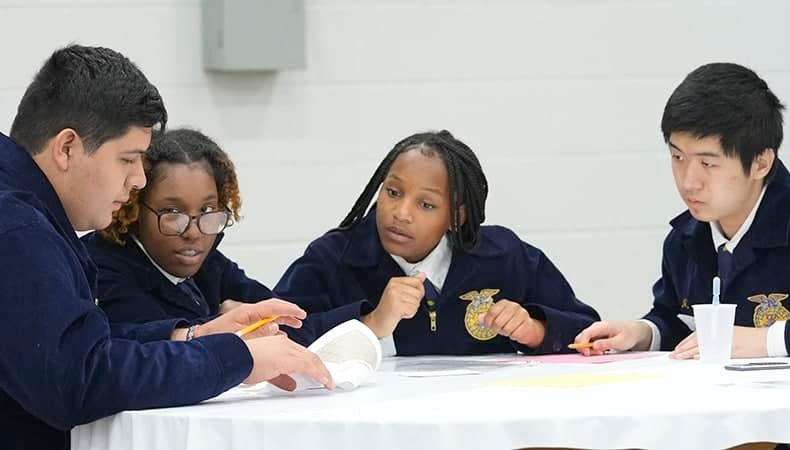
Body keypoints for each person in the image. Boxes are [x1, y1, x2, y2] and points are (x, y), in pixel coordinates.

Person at [0, 45, 331, 450]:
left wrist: (193, 336)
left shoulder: (26, 215)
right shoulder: (16, 227)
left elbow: (77, 347)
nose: (138, 179)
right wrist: (235, 359)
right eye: (128, 159)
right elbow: (79, 380)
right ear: (67, 147)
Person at [274, 130, 599, 355]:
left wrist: (536, 331)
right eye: (393, 192)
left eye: (426, 205)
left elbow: (590, 331)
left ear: (456, 216)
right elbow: (275, 336)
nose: (400, 213)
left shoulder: (504, 256)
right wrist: (370, 323)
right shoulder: (333, 258)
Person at [574, 62, 790, 359]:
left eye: (708, 163)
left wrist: (767, 340)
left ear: (760, 163)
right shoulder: (685, 239)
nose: (689, 182)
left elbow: (740, 341)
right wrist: (643, 333)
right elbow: (683, 323)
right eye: (678, 157)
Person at [82, 128, 275, 323]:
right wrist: (229, 322)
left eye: (207, 210)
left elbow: (283, 316)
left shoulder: (208, 263)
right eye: (172, 213)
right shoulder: (100, 271)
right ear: (134, 208)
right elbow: (152, 344)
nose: (193, 233)